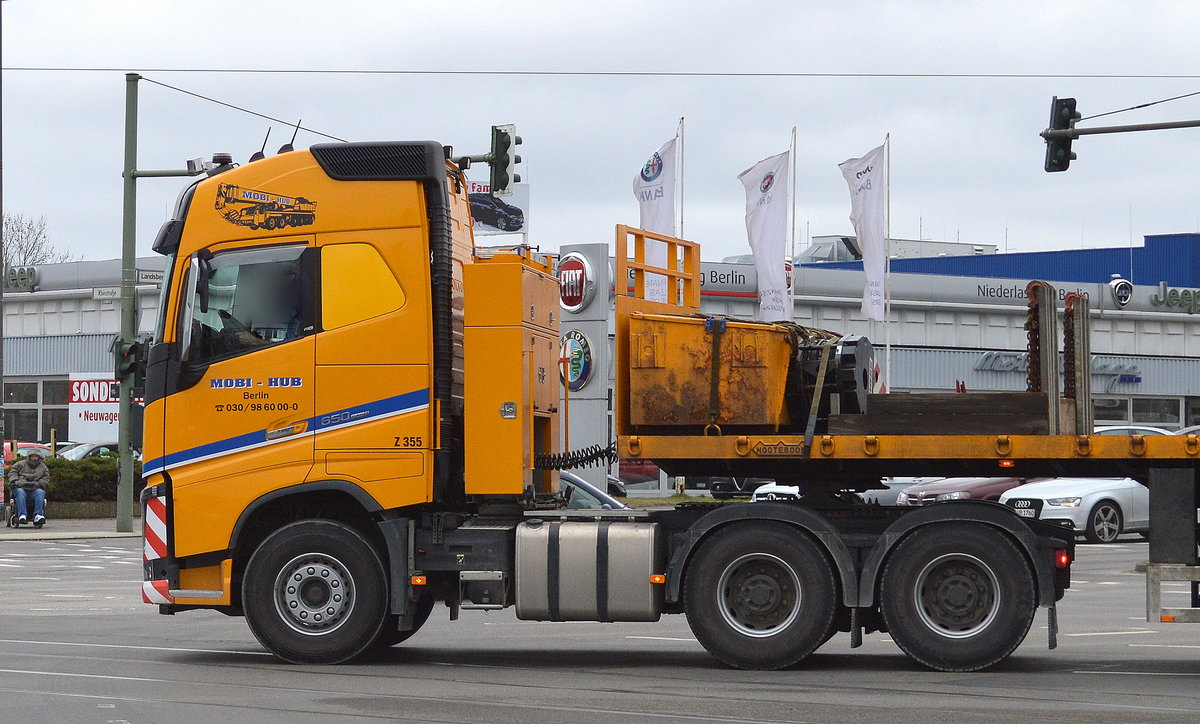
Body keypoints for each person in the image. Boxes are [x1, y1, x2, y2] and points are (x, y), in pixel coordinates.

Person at [9, 451, 49, 527]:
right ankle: (22, 515)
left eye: (36, 456)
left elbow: (46, 477)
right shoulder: (20, 464)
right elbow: (12, 472)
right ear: (29, 457)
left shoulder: (43, 467)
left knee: (40, 492)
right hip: (21, 486)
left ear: (39, 457)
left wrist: (39, 483)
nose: (34, 458)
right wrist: (15, 481)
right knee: (19, 492)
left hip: (35, 488)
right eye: (32, 456)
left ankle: (38, 515)